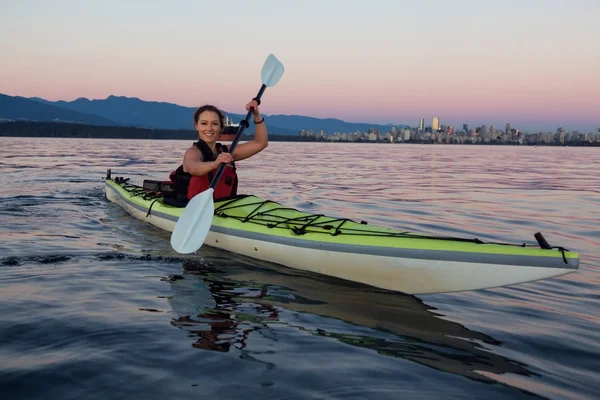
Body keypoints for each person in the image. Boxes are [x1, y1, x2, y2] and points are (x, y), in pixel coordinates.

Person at [165, 100, 268, 206]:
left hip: (221, 208)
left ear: (221, 127)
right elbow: (194, 168)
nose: (209, 128)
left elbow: (261, 143)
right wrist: (215, 163)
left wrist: (256, 115)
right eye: (204, 123)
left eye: (214, 124)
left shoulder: (227, 152)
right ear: (197, 126)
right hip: (189, 206)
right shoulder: (193, 152)